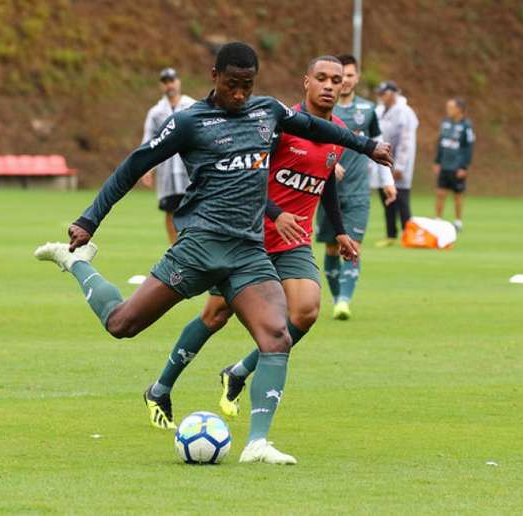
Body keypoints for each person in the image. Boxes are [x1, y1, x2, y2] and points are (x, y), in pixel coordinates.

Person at [35, 42, 393, 465]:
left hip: (248, 251)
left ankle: (258, 442)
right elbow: (133, 165)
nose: (240, 94)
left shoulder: (268, 112)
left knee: (276, 336)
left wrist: (366, 146)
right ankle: (76, 263)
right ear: (214, 76)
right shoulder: (190, 122)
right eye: (231, 85)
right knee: (122, 324)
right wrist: (89, 219)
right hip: (199, 247)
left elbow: (317, 129)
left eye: (247, 85)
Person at [143, 55, 359, 431]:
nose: (329, 85)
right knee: (215, 315)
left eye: (336, 80)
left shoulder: (336, 134)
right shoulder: (275, 125)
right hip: (248, 237)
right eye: (321, 78)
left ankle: (239, 372)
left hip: (293, 243)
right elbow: (247, 176)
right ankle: (160, 387)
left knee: (305, 311)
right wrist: (276, 213)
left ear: (344, 86)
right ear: (305, 82)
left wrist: (339, 230)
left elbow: (324, 183)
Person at [316, 55, 396, 320]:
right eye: (341, 76)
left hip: (359, 191)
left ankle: (343, 301)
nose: (346, 81)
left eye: (349, 76)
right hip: (328, 192)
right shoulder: (324, 108)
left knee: (354, 247)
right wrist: (327, 164)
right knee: (330, 248)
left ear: (356, 78)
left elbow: (378, 145)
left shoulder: (368, 110)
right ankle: (337, 296)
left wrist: (387, 182)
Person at [141, 68, 196, 243]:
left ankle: (191, 248)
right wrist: (147, 168)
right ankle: (174, 248)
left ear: (178, 82)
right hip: (167, 174)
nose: (169, 85)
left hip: (190, 171)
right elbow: (149, 140)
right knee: (170, 212)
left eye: (171, 81)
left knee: (193, 210)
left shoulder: (192, 106)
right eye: (165, 82)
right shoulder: (156, 112)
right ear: (161, 86)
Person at [374, 80, 419, 247]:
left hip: (399, 163)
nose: (381, 96)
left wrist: (400, 166)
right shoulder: (378, 111)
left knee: (401, 199)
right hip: (382, 161)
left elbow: (406, 142)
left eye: (384, 93)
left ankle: (409, 235)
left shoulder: (405, 112)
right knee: (386, 197)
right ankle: (391, 234)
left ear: (393, 93)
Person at [434, 97, 475, 232]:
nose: (448, 110)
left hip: (457, 166)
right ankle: (438, 220)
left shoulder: (466, 126)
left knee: (457, 194)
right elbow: (440, 143)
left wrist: (464, 166)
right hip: (445, 164)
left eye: (451, 108)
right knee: (440, 193)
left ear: (459, 109)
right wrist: (437, 161)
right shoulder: (445, 123)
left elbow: (468, 147)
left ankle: (458, 221)